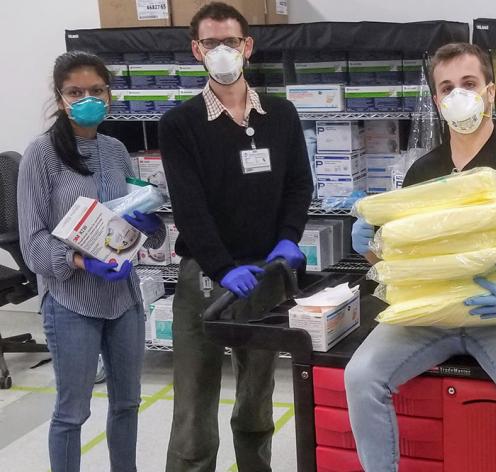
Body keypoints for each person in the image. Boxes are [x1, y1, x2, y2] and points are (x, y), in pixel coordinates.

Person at [345, 42, 496, 472]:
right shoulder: (422, 172)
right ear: (435, 100)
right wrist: (369, 250)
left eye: (468, 83)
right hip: (431, 314)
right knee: (360, 377)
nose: (457, 95)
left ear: (490, 91)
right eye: (446, 87)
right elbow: (404, 258)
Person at [157, 3, 313, 471]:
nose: (222, 51)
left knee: (256, 396)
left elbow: (298, 184)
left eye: (231, 41)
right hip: (206, 277)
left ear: (248, 46)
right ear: (196, 51)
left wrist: (288, 238)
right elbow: (189, 207)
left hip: (265, 273)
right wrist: (221, 267)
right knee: (194, 403)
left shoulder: (281, 115)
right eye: (211, 43)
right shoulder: (180, 124)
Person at [18, 50, 165, 472]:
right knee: (71, 412)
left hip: (123, 299)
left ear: (109, 94)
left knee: (127, 403)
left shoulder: (116, 149)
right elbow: (32, 244)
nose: (88, 98)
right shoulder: (41, 154)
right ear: (60, 98)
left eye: (96, 90)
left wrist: (149, 222)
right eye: (75, 92)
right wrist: (81, 262)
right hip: (71, 302)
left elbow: (137, 226)